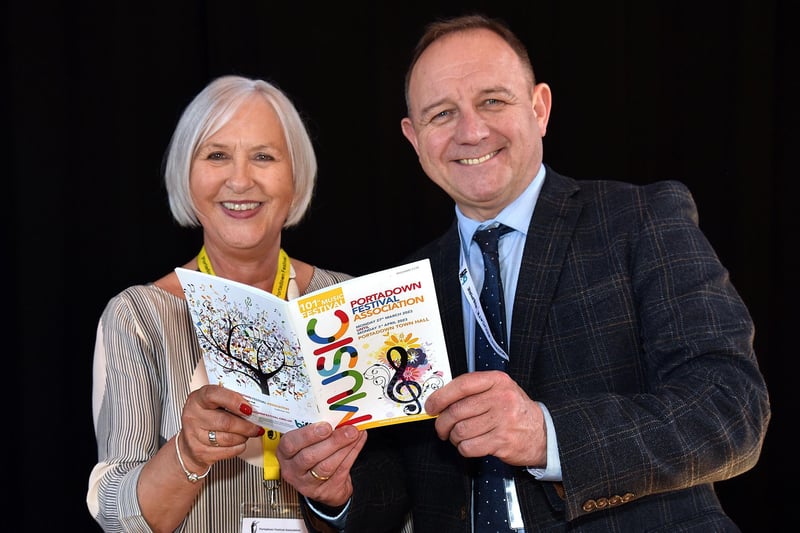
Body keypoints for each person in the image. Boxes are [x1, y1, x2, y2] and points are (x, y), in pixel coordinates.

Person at [275, 13, 771, 532]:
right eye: (441, 114)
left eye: (492, 100)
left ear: (539, 108)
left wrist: (548, 436)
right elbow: (397, 491)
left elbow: (731, 407)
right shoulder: (399, 289)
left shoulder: (640, 220)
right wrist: (337, 492)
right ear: (414, 139)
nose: (471, 130)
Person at [86, 75, 359, 532]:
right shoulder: (137, 317)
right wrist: (187, 452)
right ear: (186, 176)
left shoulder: (347, 303)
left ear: (296, 178)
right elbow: (118, 517)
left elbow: (405, 506)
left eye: (264, 157)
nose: (239, 179)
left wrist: (338, 497)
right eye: (216, 155)